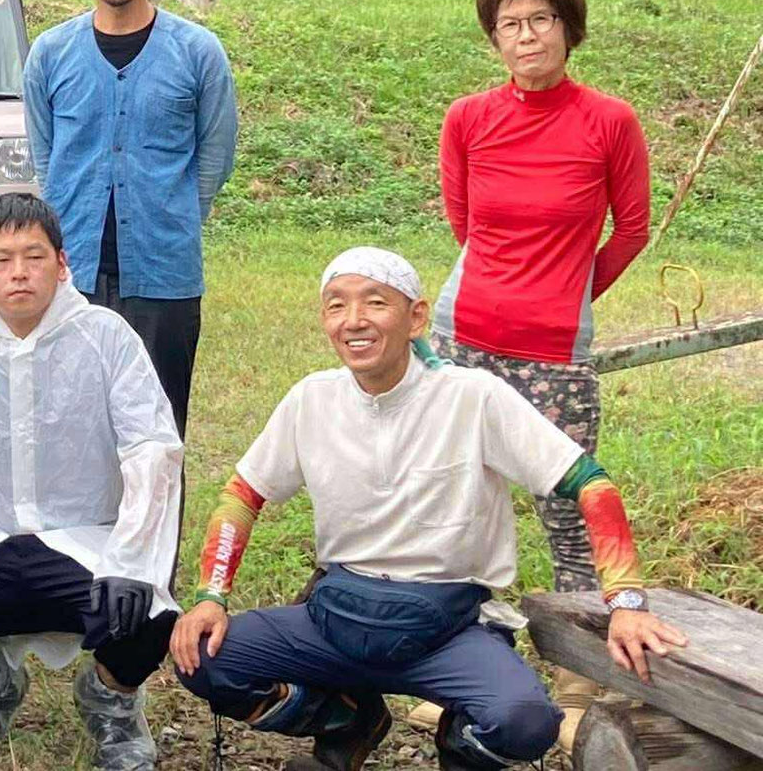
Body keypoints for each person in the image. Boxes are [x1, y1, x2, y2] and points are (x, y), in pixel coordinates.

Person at [171, 247, 688, 771]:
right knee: (205, 659)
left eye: (375, 303)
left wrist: (625, 601)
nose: (354, 321)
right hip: (339, 617)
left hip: (448, 628)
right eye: (335, 306)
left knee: (525, 722)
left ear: (417, 316)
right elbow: (242, 494)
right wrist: (211, 596)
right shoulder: (312, 399)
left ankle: (459, 746)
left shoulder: (473, 397)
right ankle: (349, 720)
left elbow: (589, 483)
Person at [0, 195, 183, 765]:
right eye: (1, 259)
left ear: (61, 263)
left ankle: (111, 703)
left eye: (34, 256)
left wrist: (133, 560)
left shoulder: (106, 335)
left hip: (83, 537)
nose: (19, 272)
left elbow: (152, 450)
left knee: (147, 616)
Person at [436, 0, 650, 600]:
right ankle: (452, 650)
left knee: (568, 504)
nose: (527, 36)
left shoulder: (610, 121)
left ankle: (582, 673)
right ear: (494, 39)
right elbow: (466, 226)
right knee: (455, 499)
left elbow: (632, 231)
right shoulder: (468, 118)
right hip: (461, 340)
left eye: (541, 20)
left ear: (568, 29)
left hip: (554, 351)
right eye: (511, 25)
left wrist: (568, 295)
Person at [23, 0, 237, 435]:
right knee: (70, 426)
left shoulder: (197, 51)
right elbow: (45, 154)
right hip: (72, 270)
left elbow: (215, 152)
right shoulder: (51, 53)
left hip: (164, 271)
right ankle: (82, 526)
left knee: (158, 426)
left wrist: (179, 213)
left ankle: (157, 526)